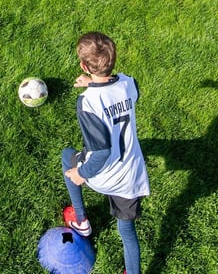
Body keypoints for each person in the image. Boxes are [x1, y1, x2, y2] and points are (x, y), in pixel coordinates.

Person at [61, 32, 150, 274]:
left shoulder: (88, 102)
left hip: (103, 174)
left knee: (67, 156)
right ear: (113, 59)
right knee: (127, 233)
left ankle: (81, 221)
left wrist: (81, 173)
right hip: (131, 177)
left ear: (83, 65)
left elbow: (100, 152)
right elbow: (122, 91)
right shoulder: (128, 83)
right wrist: (94, 82)